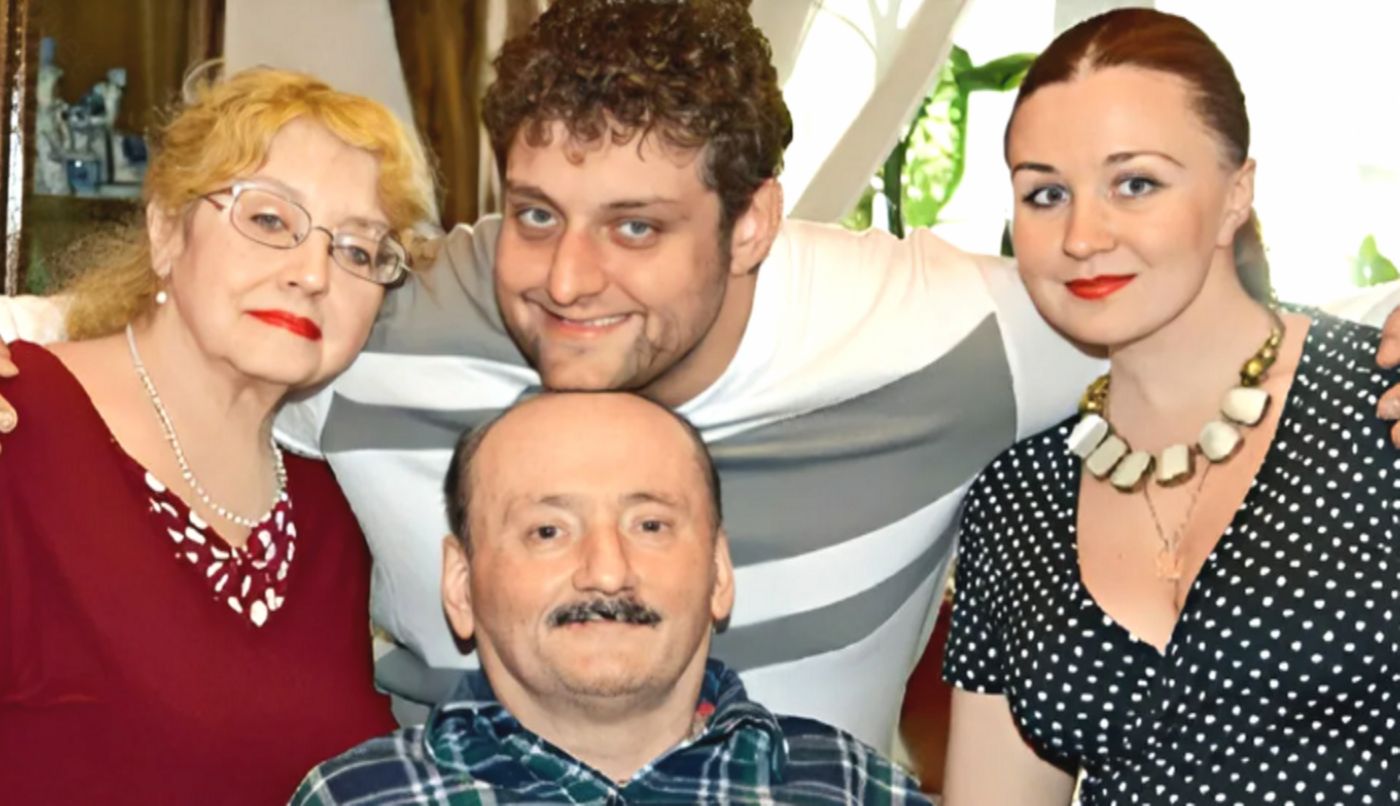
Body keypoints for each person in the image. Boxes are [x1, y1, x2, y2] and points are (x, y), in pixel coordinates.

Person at [3, 0, 1400, 754]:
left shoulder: (945, 334)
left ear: (749, 225)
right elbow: (188, 321)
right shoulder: (386, 311)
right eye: (536, 211)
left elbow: (1196, 308)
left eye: (636, 227)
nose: (565, 278)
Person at [940, 9, 1400, 804]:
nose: (1082, 235)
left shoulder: (1381, 406)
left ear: (1236, 194)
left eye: (1136, 184)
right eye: (1046, 193)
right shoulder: (1014, 501)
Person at [0, 68, 435, 804]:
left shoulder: (332, 509)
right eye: (269, 220)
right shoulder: (18, 425)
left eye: (359, 251)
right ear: (166, 230)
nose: (312, 274)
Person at [292, 391, 931, 805]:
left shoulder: (858, 790)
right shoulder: (354, 798)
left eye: (649, 526)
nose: (605, 571)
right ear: (461, 585)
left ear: (718, 572)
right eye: (548, 531)